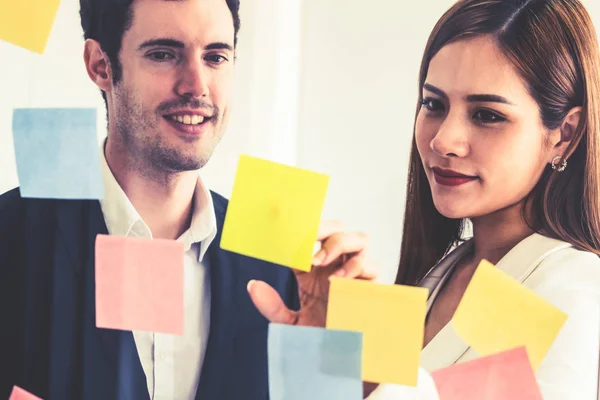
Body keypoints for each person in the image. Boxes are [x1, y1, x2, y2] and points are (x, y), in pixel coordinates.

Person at [0, 0, 375, 399]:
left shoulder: (290, 269)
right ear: (100, 66)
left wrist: (345, 374)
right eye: (163, 54)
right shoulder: (12, 237)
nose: (196, 86)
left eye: (215, 56)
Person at [365, 0, 600, 398]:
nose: (443, 140)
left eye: (487, 115)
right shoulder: (446, 271)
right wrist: (328, 338)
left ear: (564, 134)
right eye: (433, 105)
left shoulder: (569, 290)